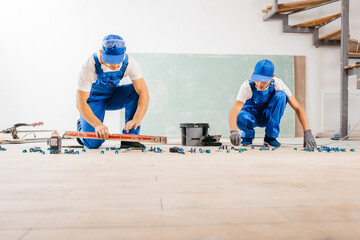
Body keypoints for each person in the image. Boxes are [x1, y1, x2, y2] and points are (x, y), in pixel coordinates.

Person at [76, 34, 149, 149]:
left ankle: (129, 139)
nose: (115, 65)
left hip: (113, 97)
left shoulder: (130, 62)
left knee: (135, 91)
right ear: (101, 52)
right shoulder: (89, 66)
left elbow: (144, 93)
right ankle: (82, 127)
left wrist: (136, 119)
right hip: (94, 101)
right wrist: (97, 125)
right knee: (93, 143)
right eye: (110, 61)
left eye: (117, 61)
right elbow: (80, 102)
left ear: (124, 53)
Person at [228, 59, 316, 148]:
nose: (259, 83)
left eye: (264, 80)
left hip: (268, 116)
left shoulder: (278, 84)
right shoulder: (247, 86)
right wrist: (233, 131)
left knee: (281, 96)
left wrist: (307, 132)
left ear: (272, 76)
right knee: (240, 116)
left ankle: (270, 138)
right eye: (257, 79)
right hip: (251, 117)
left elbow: (298, 108)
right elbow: (234, 111)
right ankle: (248, 136)